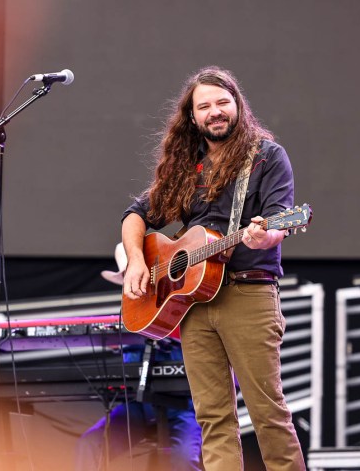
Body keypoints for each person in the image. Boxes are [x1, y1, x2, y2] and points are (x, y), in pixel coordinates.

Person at [121, 66, 306, 470]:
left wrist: (264, 236)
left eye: (222, 102)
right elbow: (136, 215)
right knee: (213, 418)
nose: (215, 111)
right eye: (204, 106)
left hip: (248, 292)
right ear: (192, 117)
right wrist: (137, 260)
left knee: (267, 413)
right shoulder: (187, 165)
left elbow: (279, 222)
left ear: (238, 105)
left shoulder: (267, 157)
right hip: (194, 304)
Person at [76, 243, 203, 471]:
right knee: (90, 444)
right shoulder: (127, 318)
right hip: (137, 406)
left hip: (184, 405)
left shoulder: (178, 305)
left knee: (183, 459)